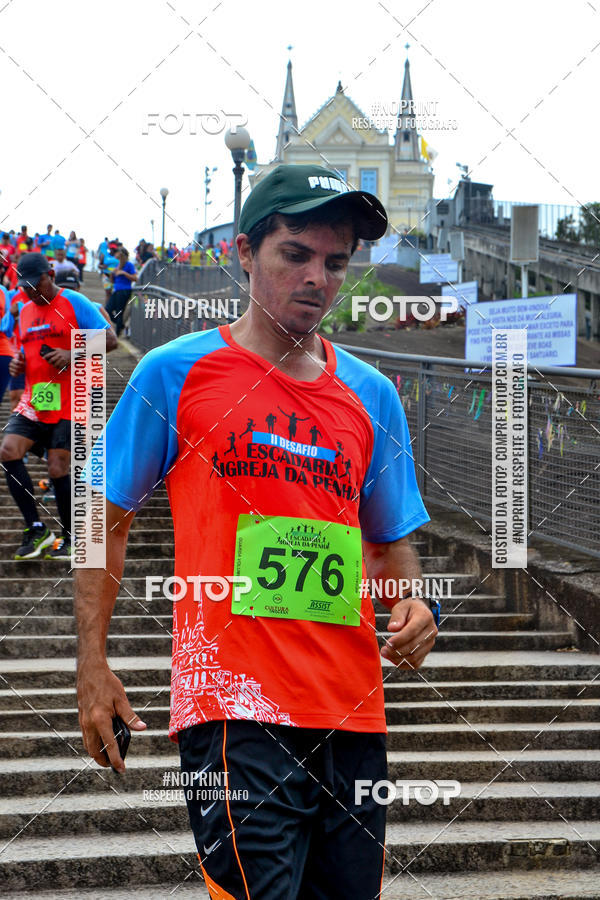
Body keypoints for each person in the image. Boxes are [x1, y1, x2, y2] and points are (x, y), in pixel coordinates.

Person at [74, 164, 437, 899]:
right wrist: (92, 665)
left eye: (335, 263)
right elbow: (102, 519)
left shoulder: (372, 395)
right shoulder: (174, 373)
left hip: (352, 712)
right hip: (234, 709)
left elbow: (385, 542)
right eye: (295, 255)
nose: (317, 279)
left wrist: (412, 602)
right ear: (244, 252)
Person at [0, 252, 117, 560]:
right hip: (37, 397)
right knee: (8, 451)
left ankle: (72, 537)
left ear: (49, 274)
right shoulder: (25, 310)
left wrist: (71, 353)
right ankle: (37, 528)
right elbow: (27, 351)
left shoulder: (75, 302)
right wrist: (18, 364)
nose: (30, 292)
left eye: (35, 284)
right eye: (24, 287)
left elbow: (111, 340)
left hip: (73, 396)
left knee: (57, 466)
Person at [106, 247, 136, 335]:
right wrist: (112, 274)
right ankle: (121, 325)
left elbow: (135, 278)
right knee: (108, 309)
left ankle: (118, 332)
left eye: (117, 252)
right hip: (117, 290)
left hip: (124, 290)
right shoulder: (118, 265)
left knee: (119, 312)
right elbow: (112, 281)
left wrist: (124, 273)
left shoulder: (129, 265)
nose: (116, 254)